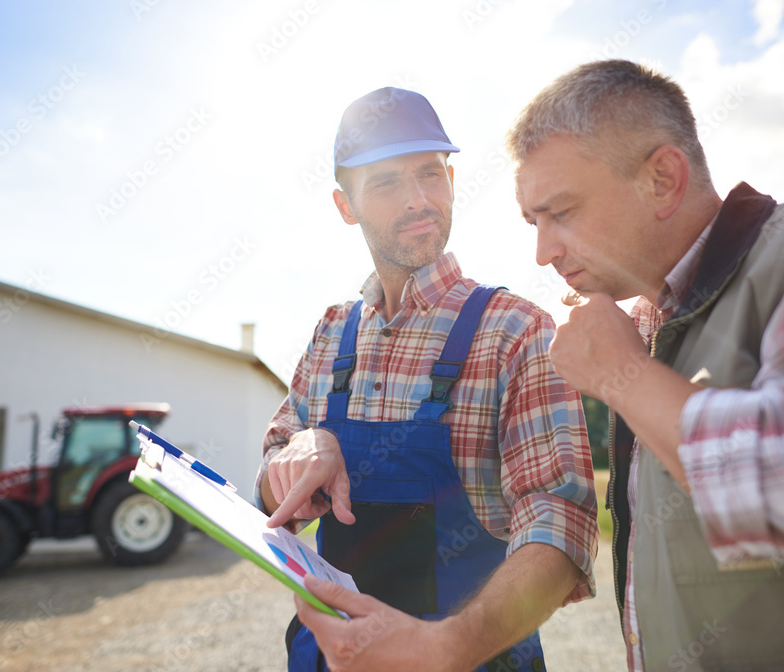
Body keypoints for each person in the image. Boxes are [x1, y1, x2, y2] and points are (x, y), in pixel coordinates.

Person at [506, 59, 784, 672]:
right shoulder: (647, 324)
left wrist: (625, 375)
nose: (544, 252)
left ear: (663, 179)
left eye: (561, 212)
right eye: (533, 221)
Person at [254, 87, 599, 672]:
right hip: (330, 657)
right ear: (346, 205)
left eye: (429, 173)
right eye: (386, 183)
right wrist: (299, 451)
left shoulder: (512, 331)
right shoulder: (331, 333)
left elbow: (561, 520)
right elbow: (269, 487)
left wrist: (445, 650)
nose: (418, 200)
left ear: (452, 179)